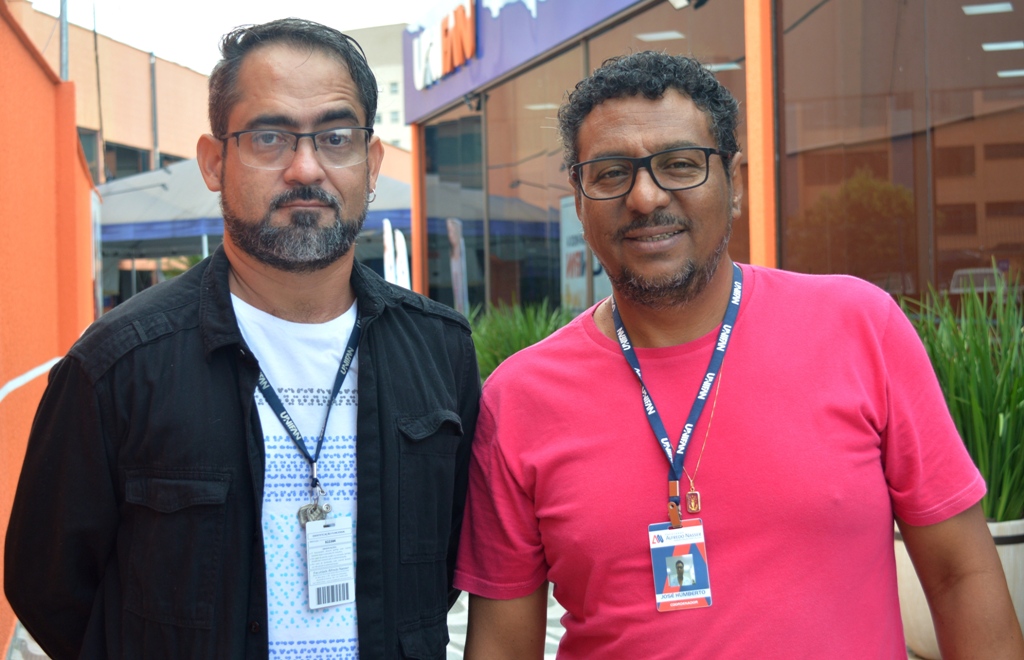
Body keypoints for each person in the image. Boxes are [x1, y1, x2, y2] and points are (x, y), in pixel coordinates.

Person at [453, 51, 1023, 659]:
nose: (645, 196)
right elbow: (502, 646)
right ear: (579, 196)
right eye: (612, 173)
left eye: (679, 164)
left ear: (736, 183)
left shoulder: (859, 328)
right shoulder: (519, 400)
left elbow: (960, 575)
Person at [5, 18, 479, 659]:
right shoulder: (117, 366)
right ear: (213, 161)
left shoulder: (439, 351)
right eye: (269, 137)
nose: (306, 167)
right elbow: (49, 587)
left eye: (336, 137)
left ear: (370, 164)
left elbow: (444, 565)